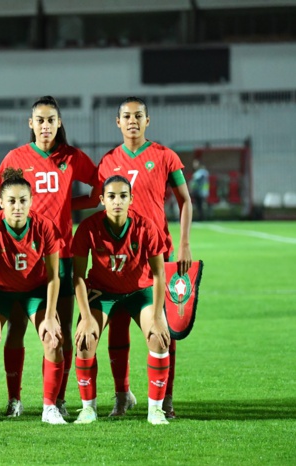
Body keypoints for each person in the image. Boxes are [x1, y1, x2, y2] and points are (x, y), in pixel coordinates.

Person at [75, 96, 192, 418]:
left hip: (156, 250)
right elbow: (94, 199)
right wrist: (54, 206)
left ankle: (165, 399)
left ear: (147, 120)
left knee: (163, 325)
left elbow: (185, 201)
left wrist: (183, 244)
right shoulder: (109, 160)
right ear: (118, 122)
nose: (132, 121)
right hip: (117, 251)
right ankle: (121, 395)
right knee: (117, 324)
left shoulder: (165, 156)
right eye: (126, 116)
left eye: (138, 116)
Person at [0, 96, 97, 418]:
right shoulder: (16, 157)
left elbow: (98, 191)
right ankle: (14, 400)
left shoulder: (72, 157)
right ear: (30, 124)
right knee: (16, 328)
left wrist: (68, 206)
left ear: (59, 122)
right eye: (40, 120)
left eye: (51, 120)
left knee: (61, 327)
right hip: (20, 256)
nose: (46, 125)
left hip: (61, 255)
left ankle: (59, 398)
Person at [71, 175, 171, 425]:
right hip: (103, 293)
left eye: (123, 196)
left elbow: (159, 274)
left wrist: (158, 316)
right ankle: (88, 409)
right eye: (112, 196)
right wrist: (84, 317)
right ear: (102, 199)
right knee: (84, 341)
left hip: (140, 293)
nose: (117, 201)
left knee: (159, 338)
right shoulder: (88, 228)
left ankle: (155, 410)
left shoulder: (146, 227)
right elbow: (78, 276)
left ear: (131, 199)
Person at [0, 168, 65, 426]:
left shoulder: (44, 227)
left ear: (31, 200)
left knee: (53, 338)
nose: (17, 206)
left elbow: (54, 276)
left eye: (23, 200)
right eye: (11, 201)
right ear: (1, 203)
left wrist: (49, 316)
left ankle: (50, 408)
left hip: (34, 291)